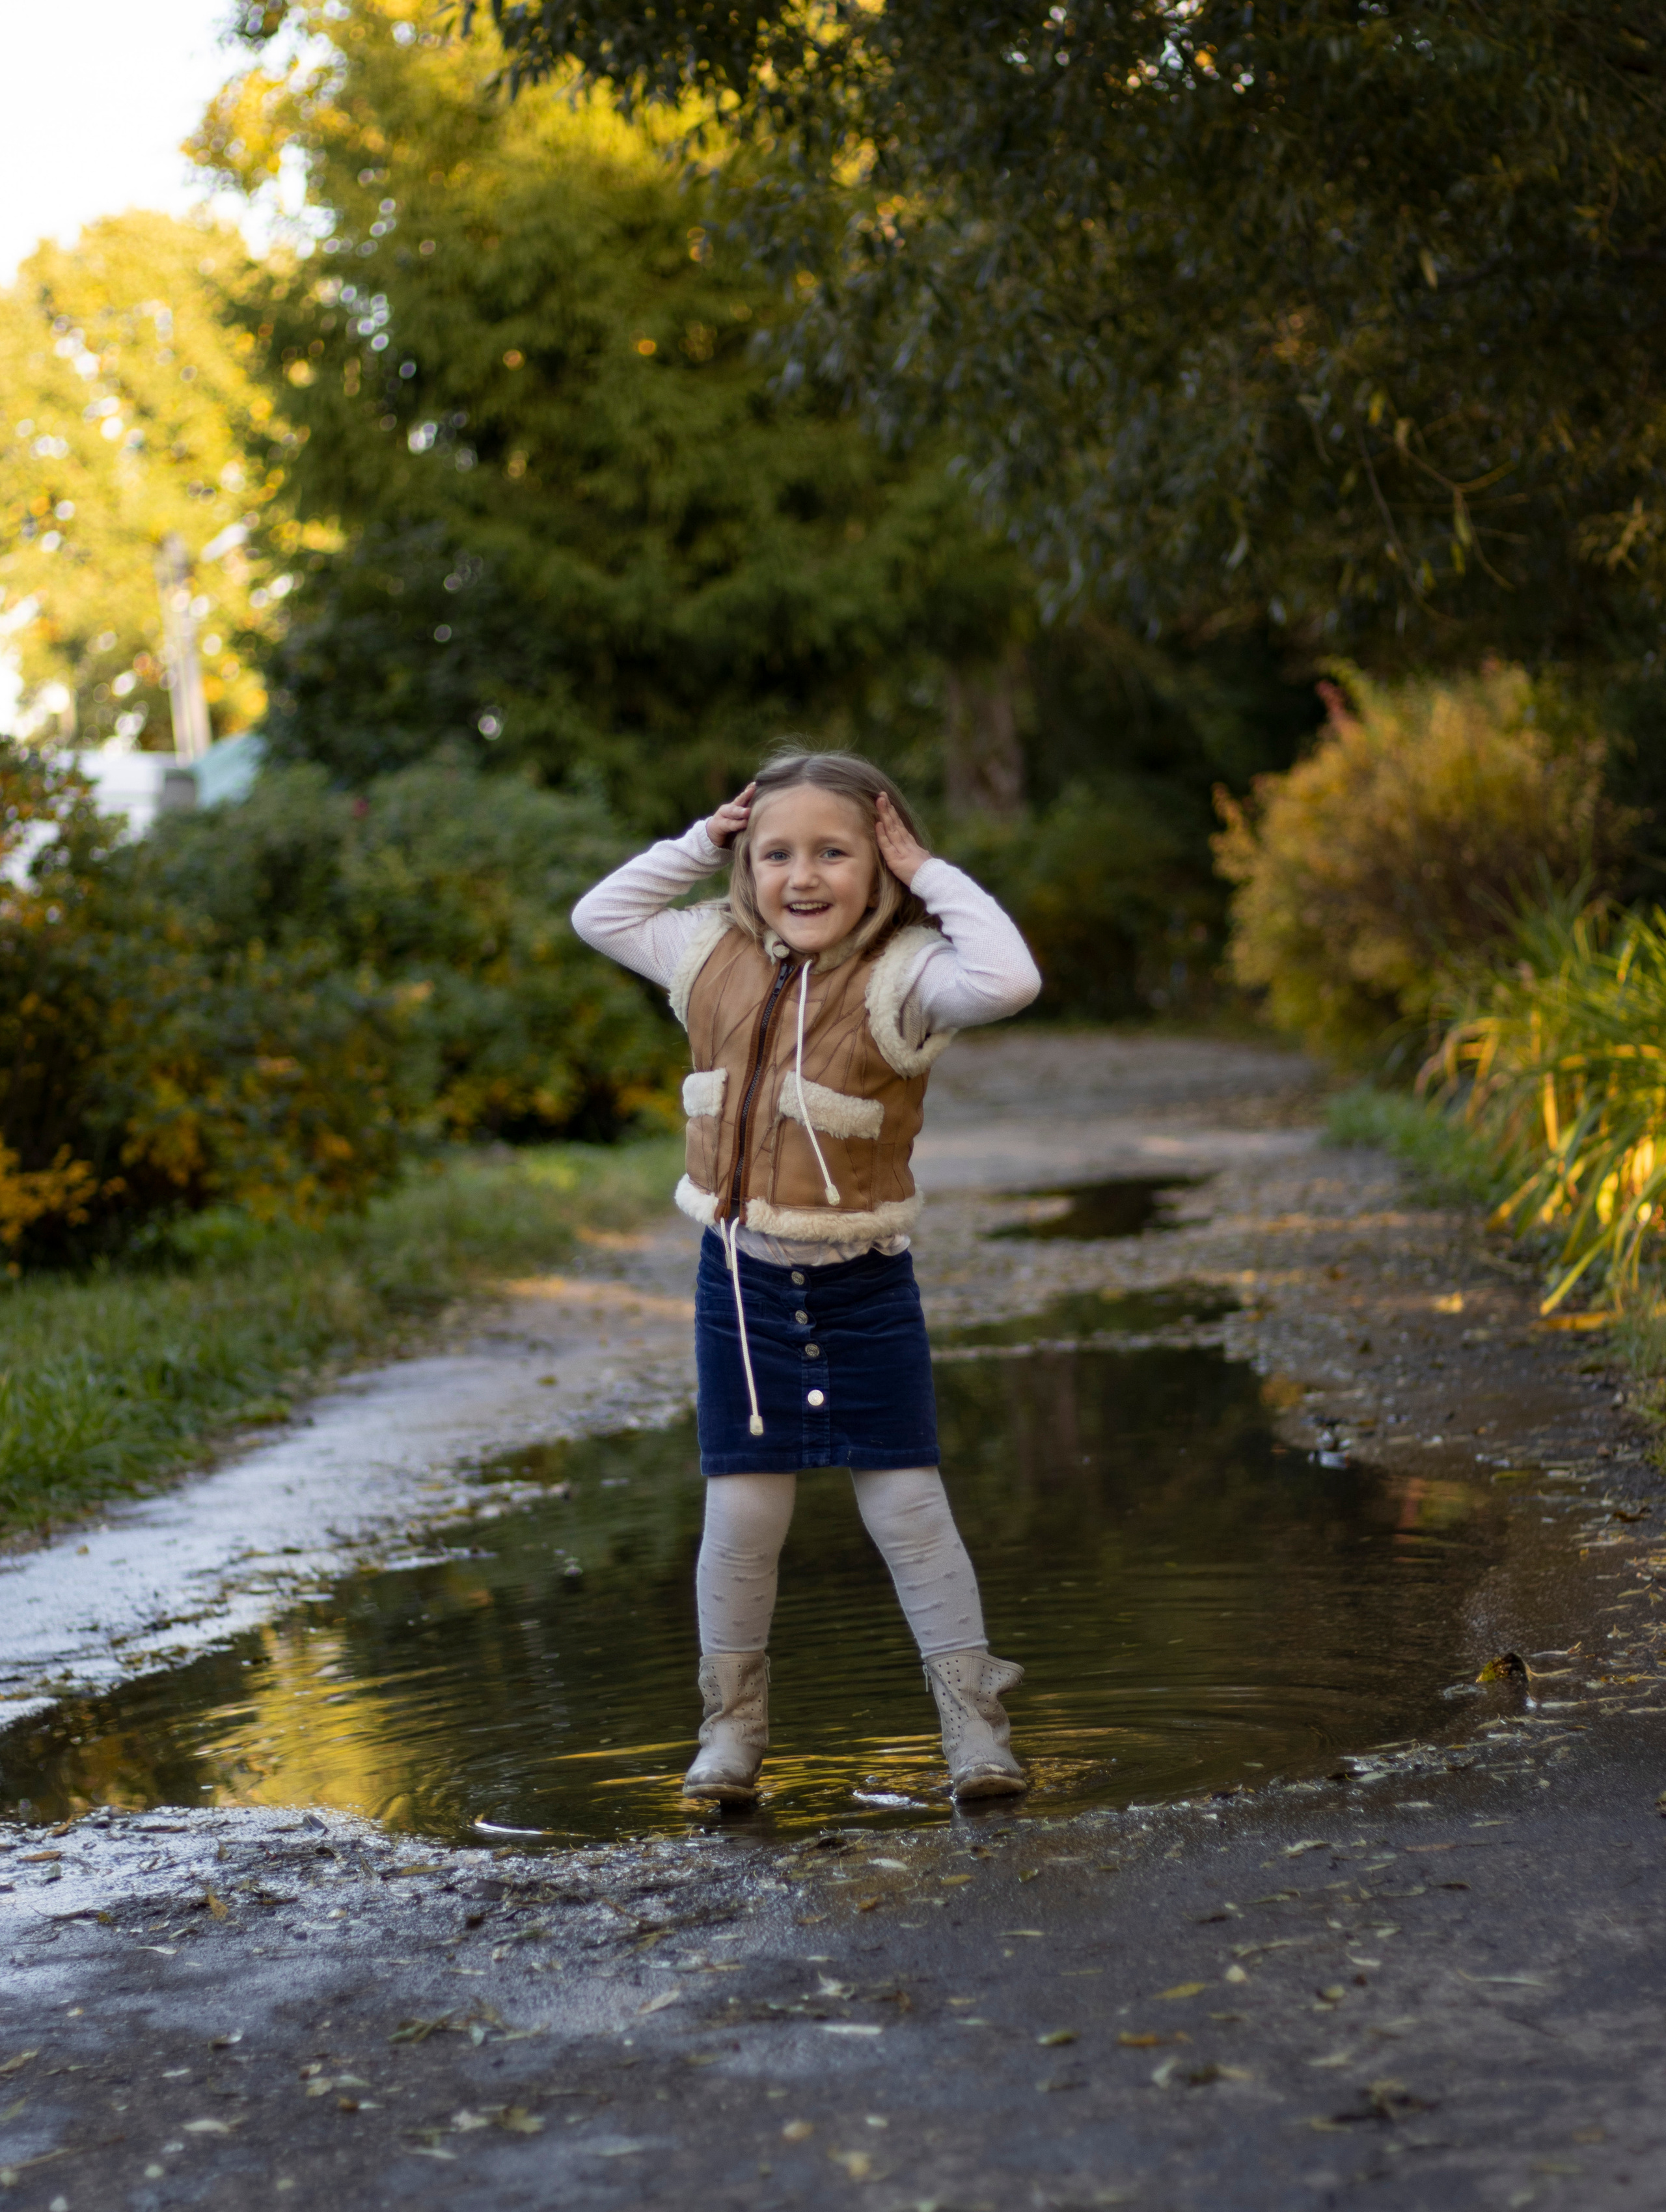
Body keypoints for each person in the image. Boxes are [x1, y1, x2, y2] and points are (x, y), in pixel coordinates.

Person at [571, 746, 1042, 1803]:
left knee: (909, 1509)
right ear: (746, 865)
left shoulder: (910, 974)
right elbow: (599, 914)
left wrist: (929, 874)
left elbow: (1011, 978)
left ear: (880, 863)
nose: (804, 874)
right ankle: (730, 1733)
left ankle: (975, 1730)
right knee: (743, 1520)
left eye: (835, 852)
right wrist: (703, 839)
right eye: (777, 852)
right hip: (740, 1288)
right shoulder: (706, 948)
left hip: (865, 1285)